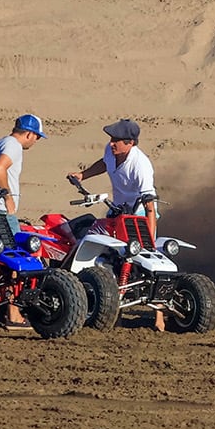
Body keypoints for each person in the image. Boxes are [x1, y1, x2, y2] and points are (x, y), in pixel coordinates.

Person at [69, 118, 163, 328]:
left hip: (138, 214)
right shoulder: (111, 151)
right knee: (104, 250)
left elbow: (150, 207)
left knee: (144, 263)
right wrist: (83, 175)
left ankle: (159, 318)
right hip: (118, 210)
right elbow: (104, 163)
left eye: (117, 140)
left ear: (130, 143)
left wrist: (149, 241)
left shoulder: (141, 166)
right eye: (111, 139)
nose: (112, 143)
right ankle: (111, 309)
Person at [0, 114, 45, 215]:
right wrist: (8, 198)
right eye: (37, 137)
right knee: (14, 231)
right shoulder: (14, 145)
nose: (35, 141)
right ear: (29, 134)